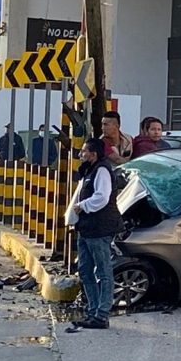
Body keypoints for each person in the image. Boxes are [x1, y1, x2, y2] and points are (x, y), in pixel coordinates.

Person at [71, 138, 123, 330]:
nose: (81, 154)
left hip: (100, 228)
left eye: (84, 151)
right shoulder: (89, 170)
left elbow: (102, 197)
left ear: (93, 154)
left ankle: (102, 314)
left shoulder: (102, 170)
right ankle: (92, 311)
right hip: (86, 227)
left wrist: (82, 206)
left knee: (102, 271)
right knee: (85, 270)